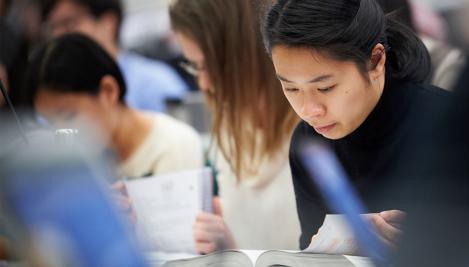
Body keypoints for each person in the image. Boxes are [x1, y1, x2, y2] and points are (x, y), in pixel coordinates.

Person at [262, 0, 469, 251]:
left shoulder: (461, 130)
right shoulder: (309, 142)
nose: (310, 110)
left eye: (325, 87)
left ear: (376, 61)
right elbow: (311, 252)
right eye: (291, 88)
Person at [169, 0, 301, 252]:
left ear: (248, 53)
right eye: (195, 67)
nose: (204, 83)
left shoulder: (316, 122)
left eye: (212, 66)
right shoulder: (230, 122)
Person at [28, 33, 203, 179]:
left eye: (68, 116)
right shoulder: (73, 168)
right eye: (50, 124)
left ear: (108, 91)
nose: (61, 132)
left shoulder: (173, 146)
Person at [41, 0, 189, 112]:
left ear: (108, 23)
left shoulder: (155, 83)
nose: (59, 35)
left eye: (69, 23)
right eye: (53, 27)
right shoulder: (54, 90)